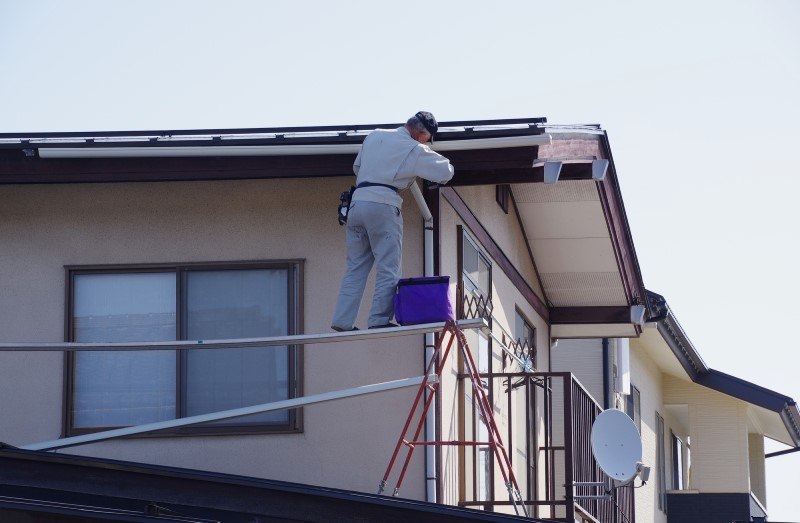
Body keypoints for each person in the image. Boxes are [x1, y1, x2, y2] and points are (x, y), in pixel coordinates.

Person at [331, 111, 454, 331]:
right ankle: (378, 320)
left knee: (355, 267)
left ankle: (342, 321)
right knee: (388, 267)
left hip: (357, 203)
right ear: (420, 133)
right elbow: (446, 171)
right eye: (428, 138)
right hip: (384, 204)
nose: (427, 142)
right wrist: (415, 164)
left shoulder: (374, 135)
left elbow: (357, 168)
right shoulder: (414, 148)